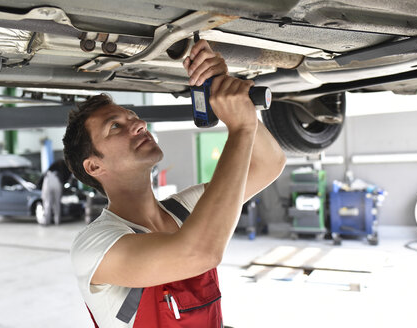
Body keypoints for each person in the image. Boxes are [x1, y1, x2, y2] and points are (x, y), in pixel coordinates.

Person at [62, 39, 286, 327]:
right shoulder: (94, 245)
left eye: (134, 117)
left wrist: (222, 88)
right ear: (94, 166)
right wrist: (240, 128)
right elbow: (198, 253)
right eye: (115, 126)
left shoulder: (185, 210)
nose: (138, 124)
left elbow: (268, 164)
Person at [41, 159, 71, 225]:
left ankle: (46, 221)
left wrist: (38, 185)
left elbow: (45, 173)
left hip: (48, 179)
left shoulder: (57, 163)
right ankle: (57, 221)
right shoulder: (68, 166)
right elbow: (66, 178)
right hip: (57, 181)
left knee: (47, 202)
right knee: (57, 203)